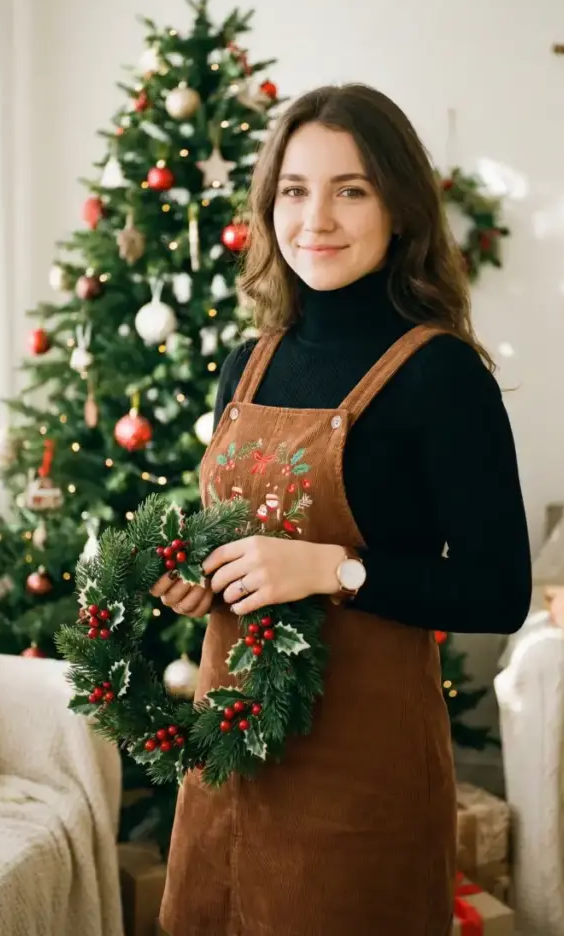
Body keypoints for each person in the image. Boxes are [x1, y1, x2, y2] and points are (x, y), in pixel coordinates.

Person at [153, 82, 532, 936]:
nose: (314, 217)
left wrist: (332, 568)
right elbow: (241, 540)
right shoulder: (246, 363)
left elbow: (497, 591)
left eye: (348, 189)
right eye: (294, 189)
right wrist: (201, 580)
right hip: (228, 756)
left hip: (361, 773)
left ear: (398, 206)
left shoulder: (443, 376)